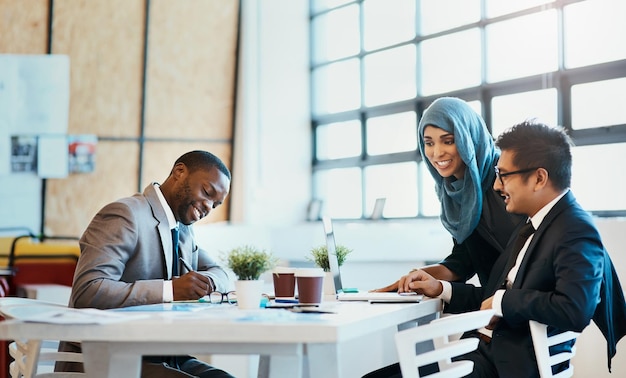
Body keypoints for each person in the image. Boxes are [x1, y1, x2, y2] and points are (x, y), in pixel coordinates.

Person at [400, 121, 626, 376]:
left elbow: (575, 308)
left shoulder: (574, 229)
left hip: (507, 363)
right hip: (482, 351)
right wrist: (442, 289)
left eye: (504, 175)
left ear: (539, 178)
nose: (497, 186)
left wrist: (503, 301)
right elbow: (493, 297)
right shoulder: (533, 225)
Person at [57, 150, 234, 378]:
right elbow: (88, 290)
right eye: (207, 192)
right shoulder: (125, 214)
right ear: (179, 172)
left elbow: (219, 272)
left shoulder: (183, 229)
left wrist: (206, 282)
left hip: (164, 355)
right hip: (109, 359)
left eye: (216, 204)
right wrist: (171, 289)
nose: (209, 207)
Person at [374, 97, 523, 290]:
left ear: (468, 138)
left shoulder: (504, 175)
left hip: (532, 300)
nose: (437, 153)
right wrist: (413, 279)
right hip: (498, 303)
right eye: (428, 143)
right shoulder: (454, 192)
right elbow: (463, 261)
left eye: (449, 141)